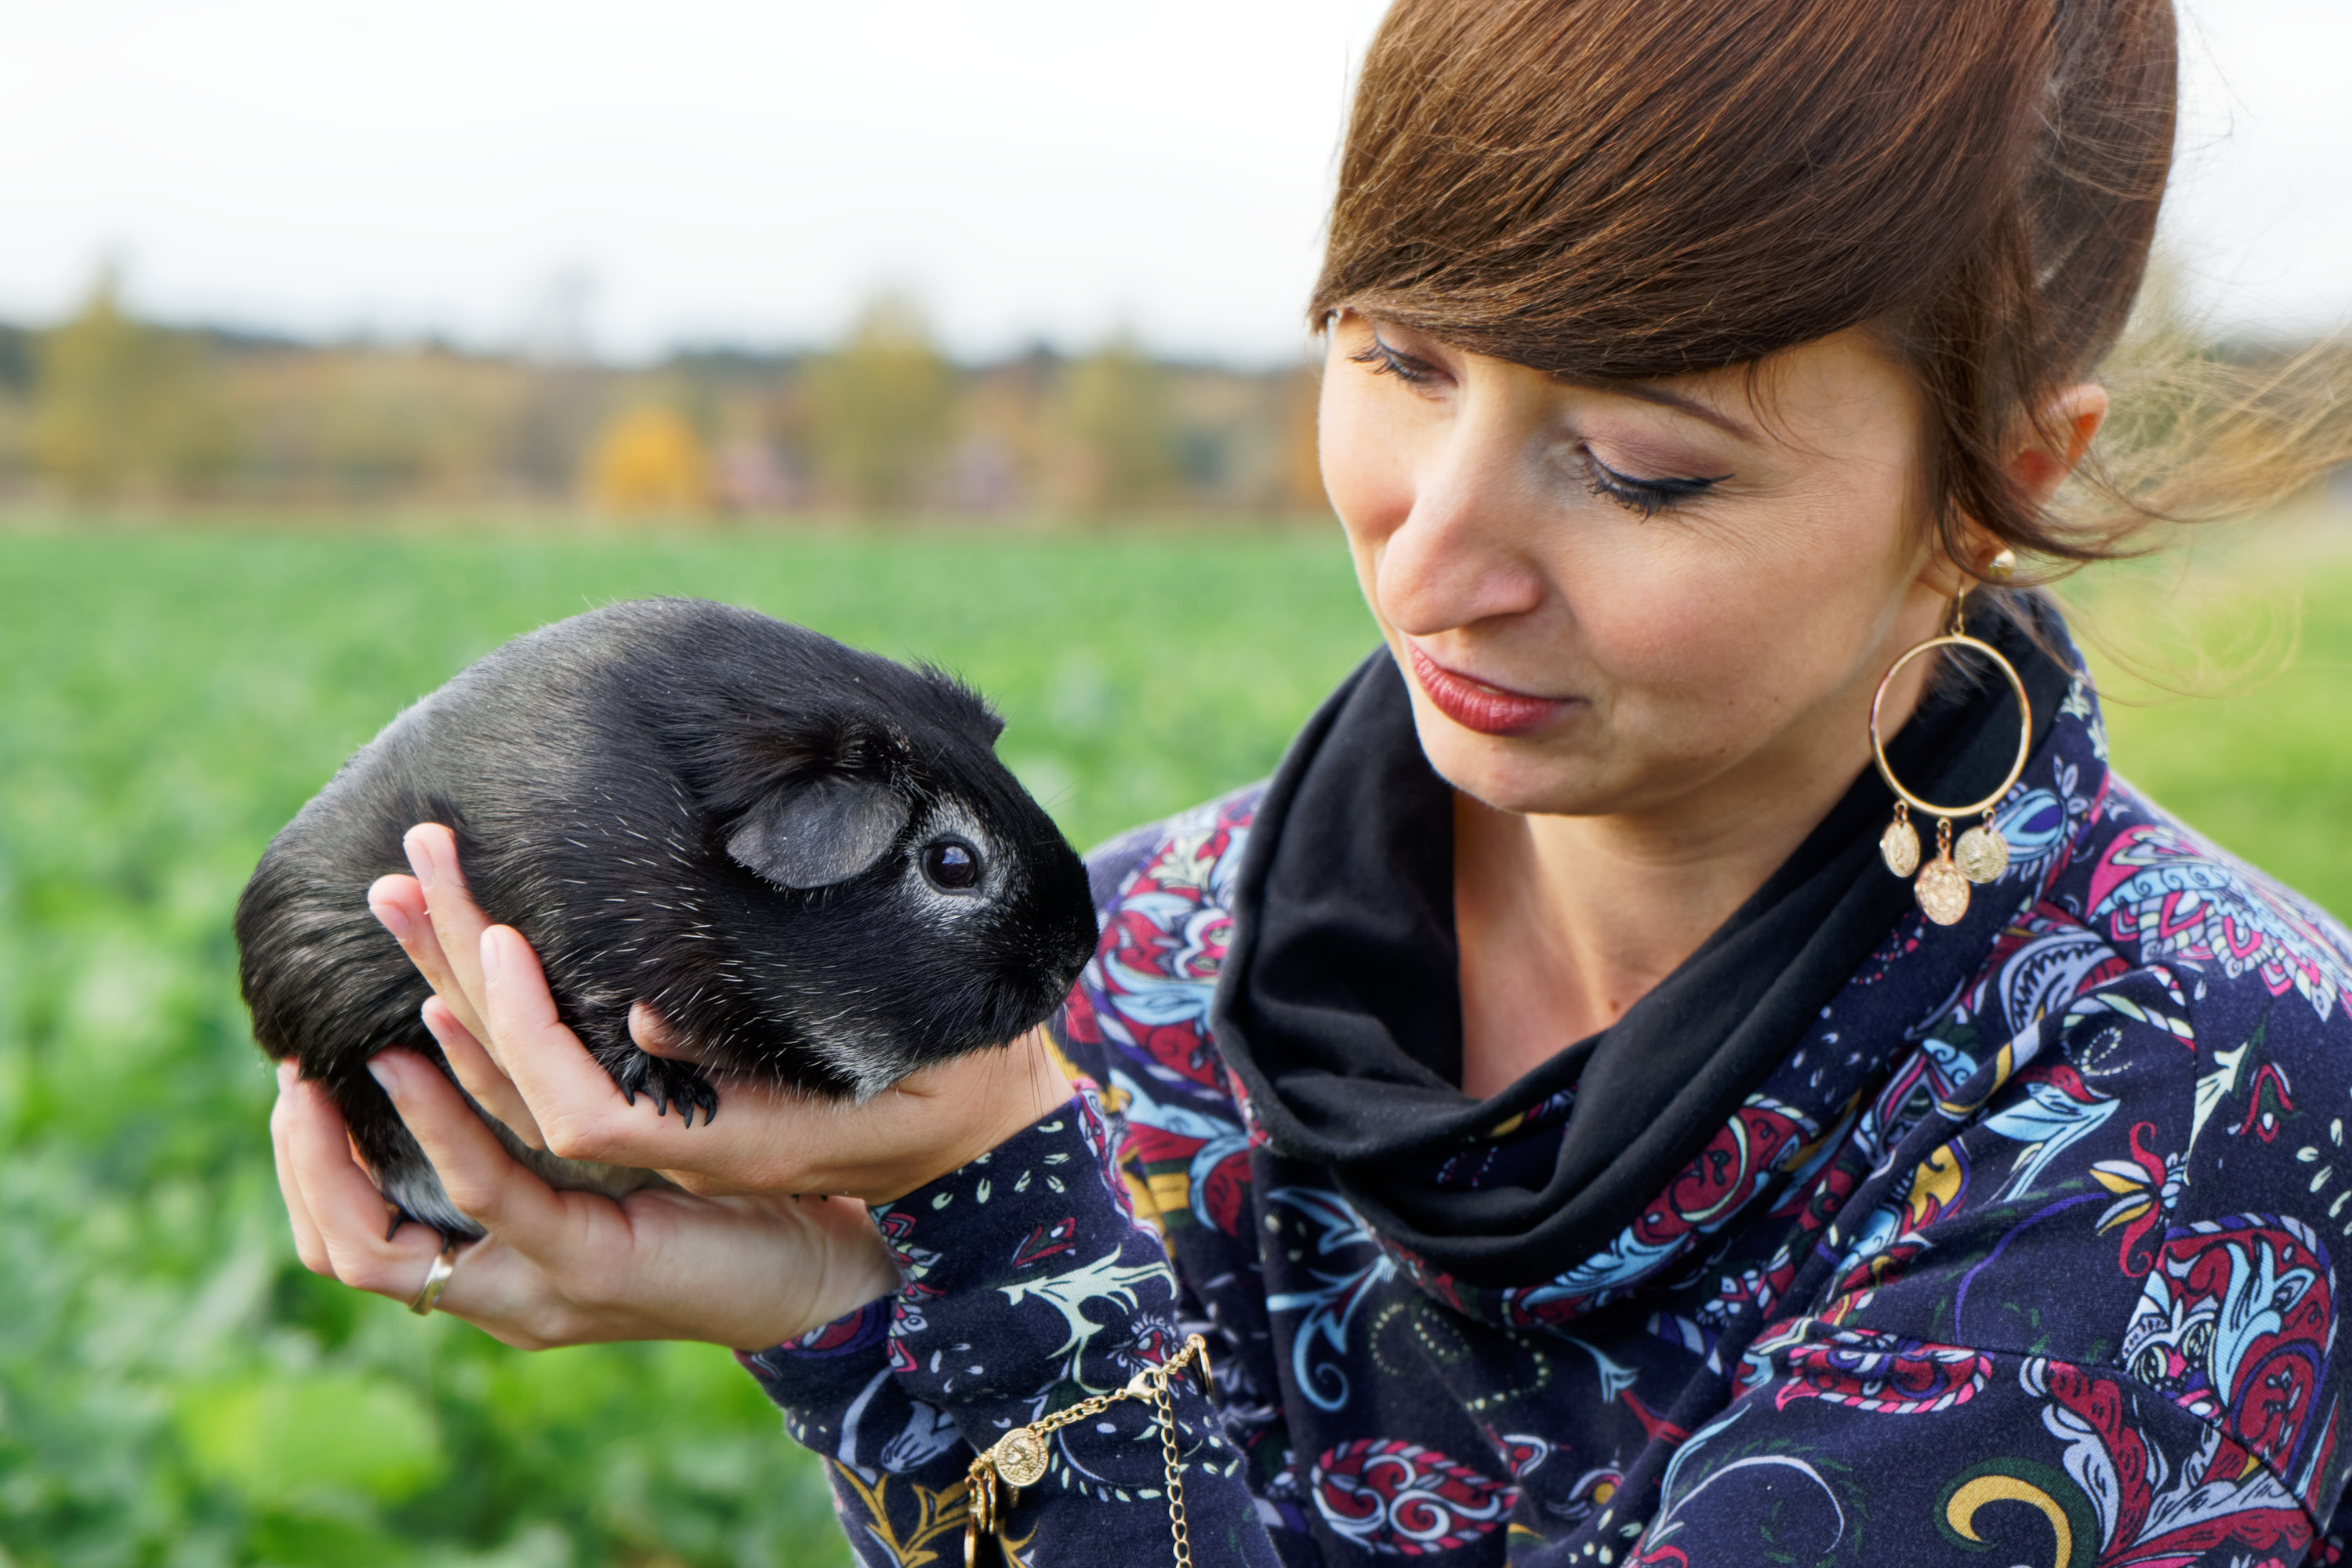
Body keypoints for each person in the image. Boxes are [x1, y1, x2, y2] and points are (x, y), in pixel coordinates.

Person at [271, 0, 2352, 1561]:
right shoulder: (1148, 960)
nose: (1429, 561)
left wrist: (1006, 1232)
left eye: (1640, 465)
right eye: (1397, 359)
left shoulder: (2197, 1101)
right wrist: (836, 1300)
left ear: (2003, 480)